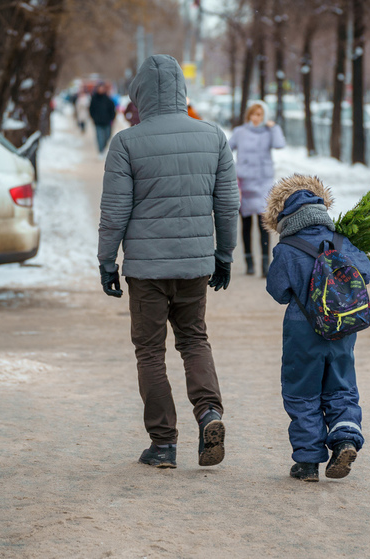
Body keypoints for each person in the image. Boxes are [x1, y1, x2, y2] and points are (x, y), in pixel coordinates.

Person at [97, 54, 239, 469]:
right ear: (181, 90)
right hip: (195, 266)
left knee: (150, 353)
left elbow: (114, 212)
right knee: (194, 340)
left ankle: (163, 444)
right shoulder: (212, 136)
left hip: (146, 271)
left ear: (139, 95)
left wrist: (107, 261)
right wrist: (224, 254)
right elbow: (227, 205)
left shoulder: (127, 142)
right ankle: (209, 413)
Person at [263, 174, 370, 482]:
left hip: (303, 331)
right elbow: (365, 273)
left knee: (302, 392)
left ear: (283, 216)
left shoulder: (287, 248)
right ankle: (346, 439)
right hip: (342, 327)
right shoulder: (342, 240)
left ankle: (308, 462)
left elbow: (279, 291)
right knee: (341, 387)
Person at [229, 101, 286, 277]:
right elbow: (226, 148)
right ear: (249, 115)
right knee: (246, 224)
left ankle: (265, 264)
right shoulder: (240, 132)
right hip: (245, 184)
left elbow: (280, 144)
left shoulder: (269, 132)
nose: (257, 118)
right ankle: (249, 263)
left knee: (264, 224)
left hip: (263, 183)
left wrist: (274, 127)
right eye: (254, 114)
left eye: (260, 114)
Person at [89, 82, 116, 154]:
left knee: (107, 136)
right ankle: (101, 151)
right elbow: (91, 109)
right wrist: (94, 118)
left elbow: (112, 110)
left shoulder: (108, 99)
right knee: (100, 137)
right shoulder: (94, 99)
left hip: (107, 122)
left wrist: (112, 118)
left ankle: (103, 148)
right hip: (98, 122)